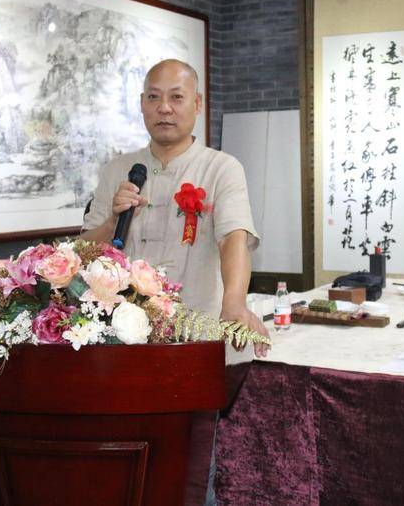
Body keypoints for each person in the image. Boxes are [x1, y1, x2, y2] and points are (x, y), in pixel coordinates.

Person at [81, 58, 269, 357]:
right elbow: (82, 252)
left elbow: (234, 238)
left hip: (198, 330)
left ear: (197, 103)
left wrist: (234, 303)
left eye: (177, 97)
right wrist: (112, 222)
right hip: (124, 334)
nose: (164, 108)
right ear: (142, 104)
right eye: (154, 97)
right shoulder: (116, 169)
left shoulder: (221, 168)